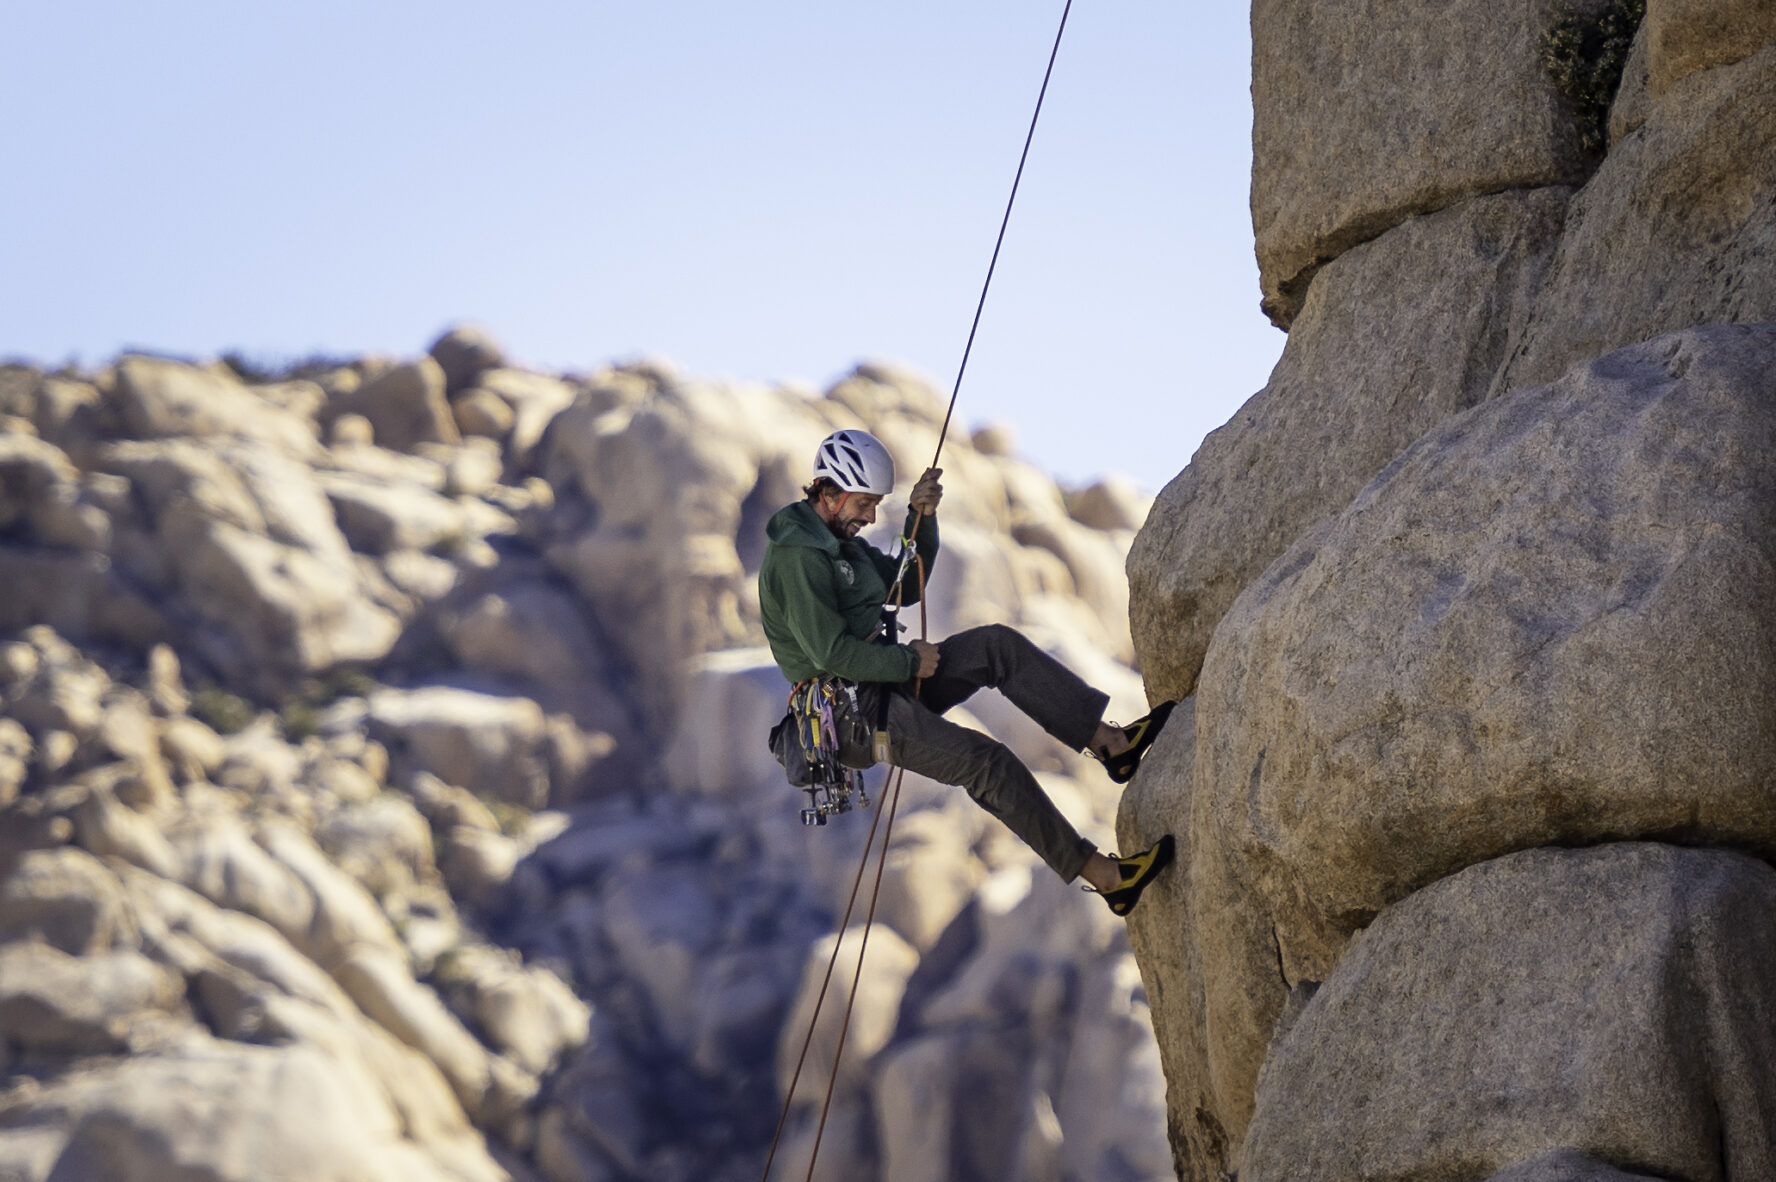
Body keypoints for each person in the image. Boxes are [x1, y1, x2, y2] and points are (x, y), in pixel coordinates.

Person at [758, 428, 1176, 916]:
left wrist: (921, 519)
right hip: (854, 718)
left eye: (875, 506)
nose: (870, 517)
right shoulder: (798, 557)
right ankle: (1108, 879)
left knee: (995, 647)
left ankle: (1112, 745)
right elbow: (830, 653)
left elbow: (903, 588)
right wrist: (909, 661)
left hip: (883, 684)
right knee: (986, 763)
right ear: (831, 492)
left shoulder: (840, 544)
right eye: (865, 504)